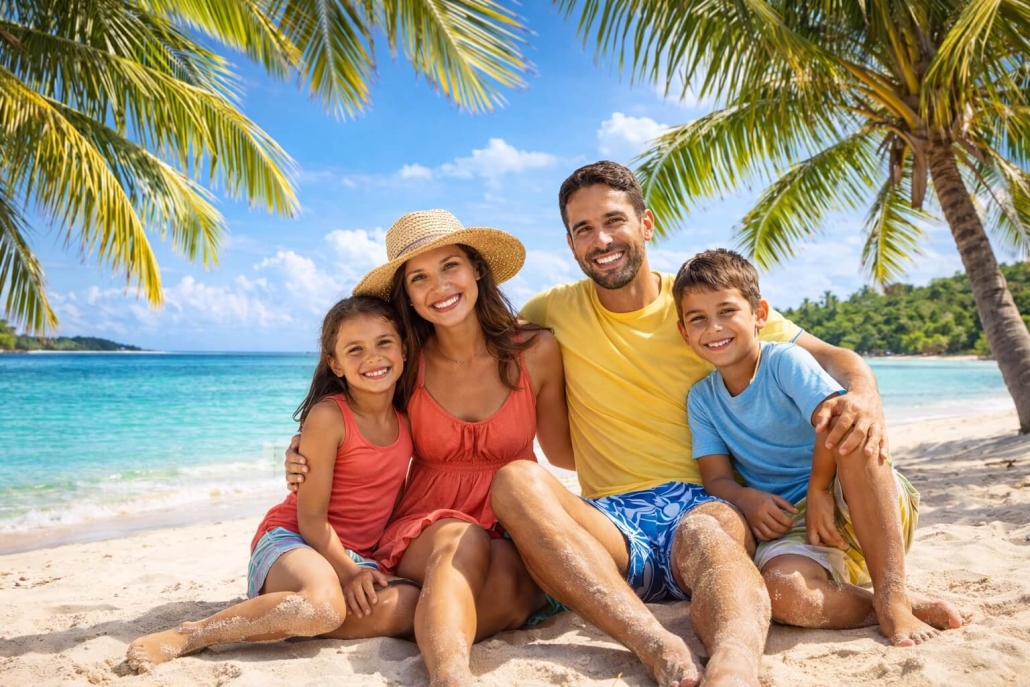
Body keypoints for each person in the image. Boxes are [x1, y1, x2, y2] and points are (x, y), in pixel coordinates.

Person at [488, 161, 896, 687]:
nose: (601, 239)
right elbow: (474, 354)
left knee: (707, 530)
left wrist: (864, 394)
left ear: (646, 224)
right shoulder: (552, 311)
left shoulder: (702, 304)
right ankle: (656, 643)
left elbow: (833, 358)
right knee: (515, 479)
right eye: (583, 229)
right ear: (570, 244)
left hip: (705, 499)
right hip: (612, 520)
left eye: (614, 220)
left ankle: (734, 666)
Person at [287, 209, 572, 687]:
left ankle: (331, 619)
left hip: (515, 513)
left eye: (450, 266)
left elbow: (566, 453)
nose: (439, 286)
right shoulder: (406, 357)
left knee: (504, 595)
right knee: (458, 544)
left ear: (477, 268)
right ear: (408, 296)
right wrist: (302, 449)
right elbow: (350, 410)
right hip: (428, 520)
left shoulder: (536, 349)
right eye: (419, 277)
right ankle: (450, 678)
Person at [675, 248, 962, 647]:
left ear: (759, 314)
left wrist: (820, 487)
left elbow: (832, 421)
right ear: (683, 333)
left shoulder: (785, 362)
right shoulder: (702, 399)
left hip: (861, 501)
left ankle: (894, 596)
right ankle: (881, 602)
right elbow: (716, 478)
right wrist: (747, 498)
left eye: (727, 311)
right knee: (782, 594)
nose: (714, 327)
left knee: (852, 429)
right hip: (798, 531)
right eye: (698, 319)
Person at [126, 296, 420, 673]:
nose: (373, 357)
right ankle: (195, 633)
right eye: (355, 349)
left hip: (355, 556)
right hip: (294, 541)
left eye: (384, 342)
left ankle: (298, 619)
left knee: (411, 605)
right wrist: (348, 572)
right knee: (322, 605)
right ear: (336, 364)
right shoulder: (330, 416)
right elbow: (311, 520)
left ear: (404, 349)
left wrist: (357, 567)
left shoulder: (408, 421)